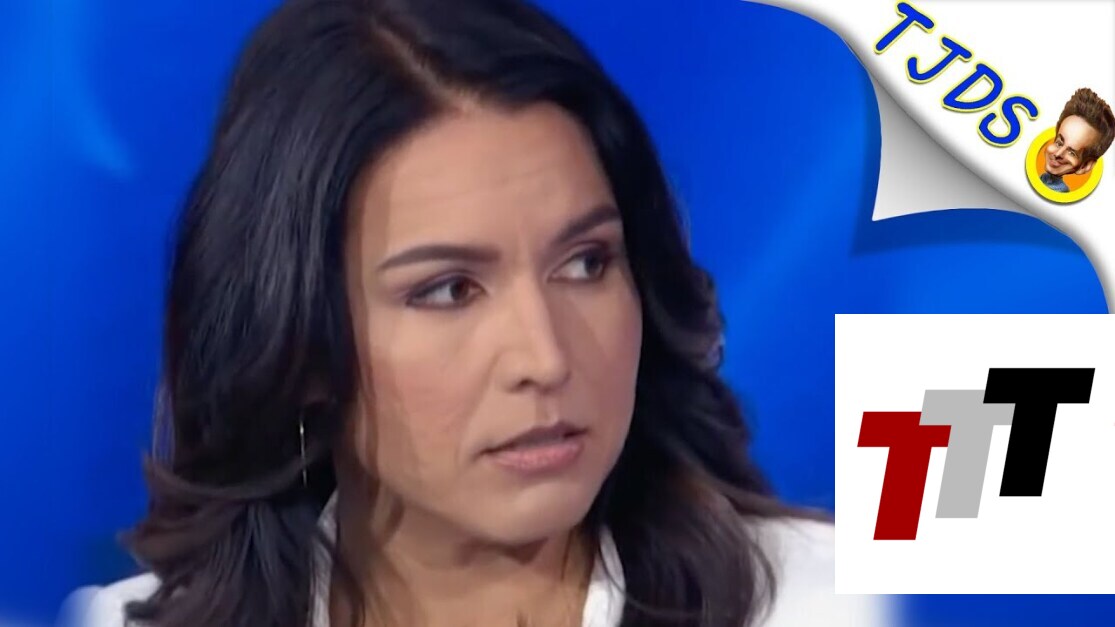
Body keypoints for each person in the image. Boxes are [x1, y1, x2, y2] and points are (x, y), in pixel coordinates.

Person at [69, 0, 888, 625]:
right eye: (449, 289)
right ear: (301, 345)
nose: (545, 356)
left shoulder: (830, 602)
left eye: (586, 263)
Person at [1040, 87, 1115, 193]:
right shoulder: (1042, 179)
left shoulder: (1060, 195)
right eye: (1059, 143)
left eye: (1072, 153)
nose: (1058, 154)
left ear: (1085, 166)